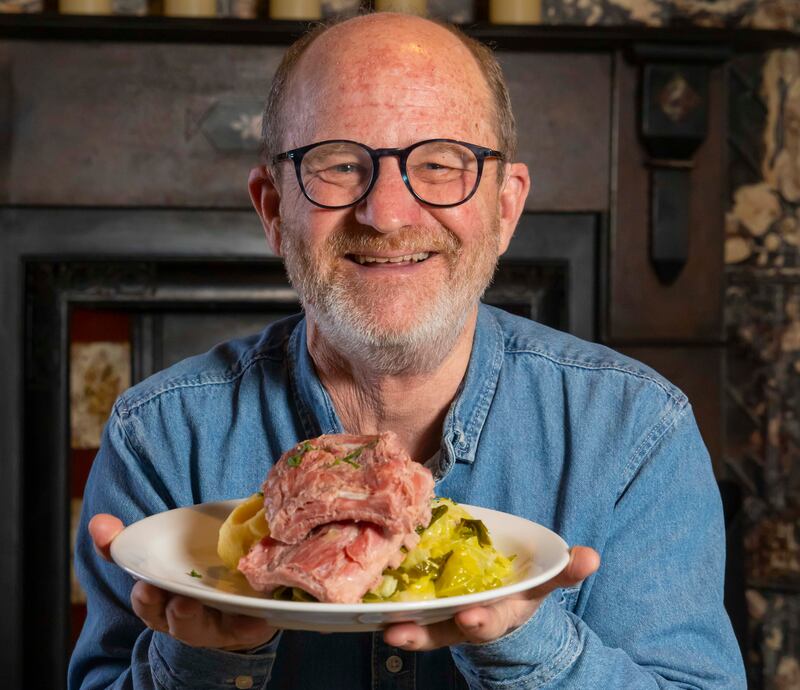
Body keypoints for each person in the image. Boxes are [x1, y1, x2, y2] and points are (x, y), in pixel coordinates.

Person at [68, 11, 746, 690]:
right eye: (339, 165)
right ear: (273, 209)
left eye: (441, 163)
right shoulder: (159, 436)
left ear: (505, 209)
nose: (387, 214)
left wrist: (528, 646)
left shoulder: (635, 430)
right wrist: (204, 661)